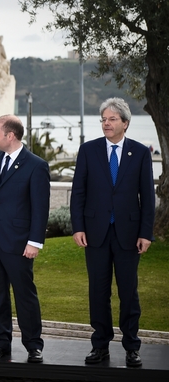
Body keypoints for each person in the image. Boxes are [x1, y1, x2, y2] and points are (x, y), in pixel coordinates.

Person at [70, 98, 155, 367]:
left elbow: (148, 198)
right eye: (104, 120)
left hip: (129, 234)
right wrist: (78, 227)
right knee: (98, 291)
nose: (106, 123)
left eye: (112, 120)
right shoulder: (88, 150)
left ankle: (132, 346)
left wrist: (146, 233)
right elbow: (78, 192)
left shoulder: (140, 153)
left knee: (129, 292)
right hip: (95, 233)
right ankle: (100, 345)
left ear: (125, 123)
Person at [0, 114, 50, 364]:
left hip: (19, 243)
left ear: (10, 136)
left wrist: (34, 242)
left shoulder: (36, 165)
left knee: (25, 295)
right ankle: (1, 342)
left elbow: (40, 208)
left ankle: (33, 345)